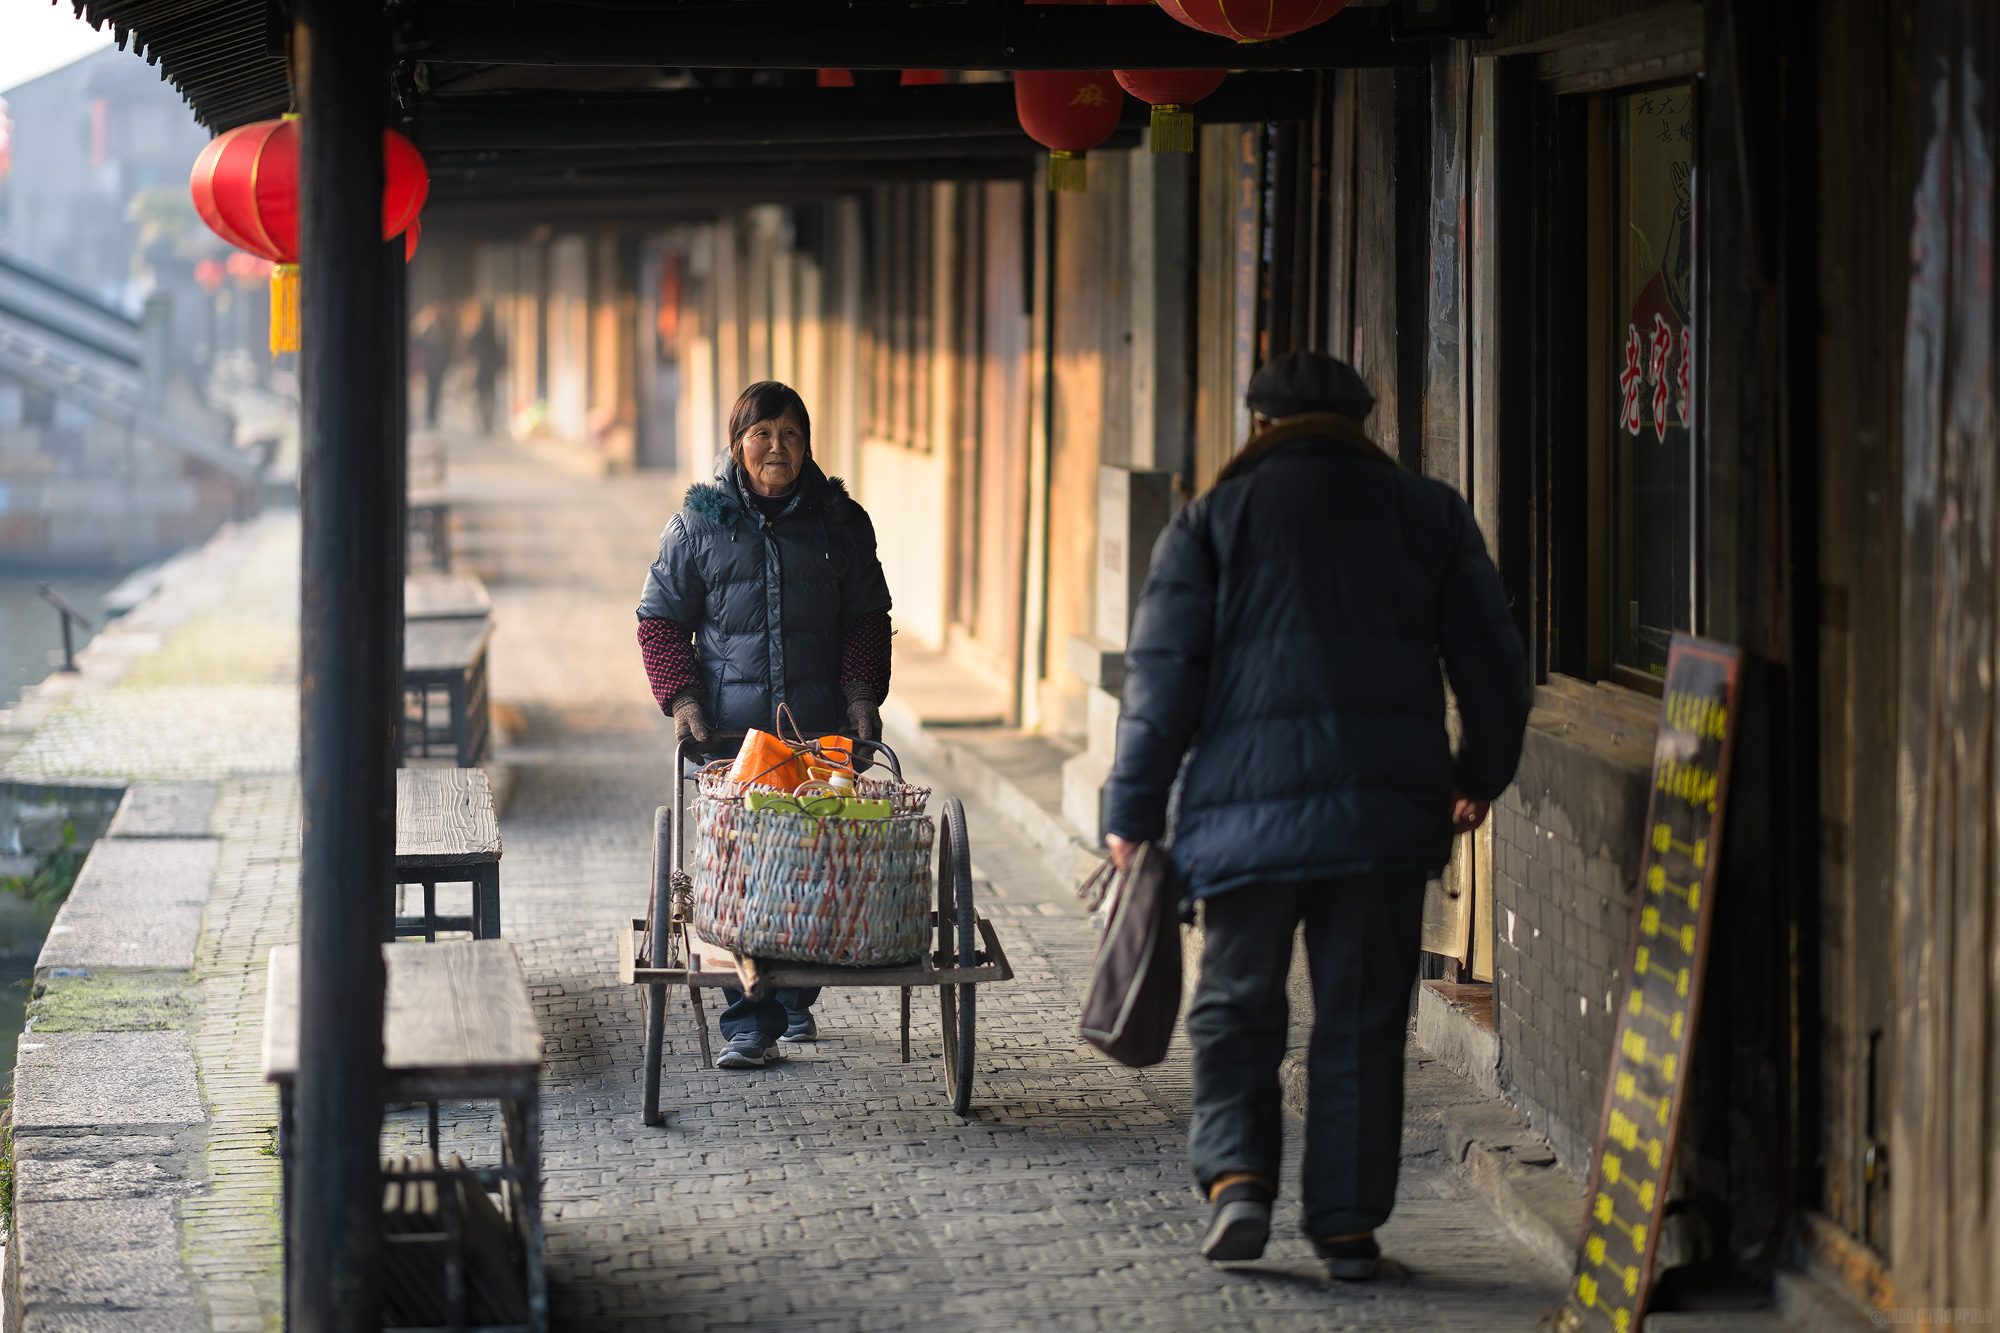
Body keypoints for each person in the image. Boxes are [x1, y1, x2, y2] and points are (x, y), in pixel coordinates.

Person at [1100, 349, 1529, 1281]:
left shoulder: (1209, 521)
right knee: (1363, 1021)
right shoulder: (1428, 514)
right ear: (1360, 424)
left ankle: (1239, 1181)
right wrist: (1478, 771)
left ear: (1259, 423)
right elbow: (1494, 663)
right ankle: (1344, 1225)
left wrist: (1131, 807)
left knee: (1237, 1007)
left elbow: (1162, 683)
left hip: (1240, 818)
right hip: (1379, 819)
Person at [636, 380, 894, 1070]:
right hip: (732, 743)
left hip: (818, 740)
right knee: (740, 880)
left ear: (808, 443)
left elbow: (866, 618)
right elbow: (659, 620)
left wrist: (863, 693)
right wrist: (685, 701)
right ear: (737, 444)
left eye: (789, 434)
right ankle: (748, 1019)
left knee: (813, 874)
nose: (775, 447)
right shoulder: (699, 525)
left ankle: (794, 993)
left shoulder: (842, 524)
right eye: (761, 434)